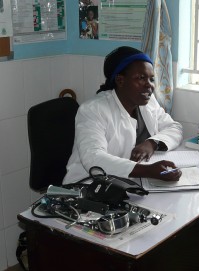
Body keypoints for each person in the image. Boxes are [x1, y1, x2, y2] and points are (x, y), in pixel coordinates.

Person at [63, 46, 183, 184]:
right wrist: (148, 171)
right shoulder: (93, 110)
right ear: (120, 80)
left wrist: (152, 143)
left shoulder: (148, 102)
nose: (149, 86)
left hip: (126, 183)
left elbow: (175, 128)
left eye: (151, 79)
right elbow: (94, 159)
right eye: (141, 78)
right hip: (88, 186)